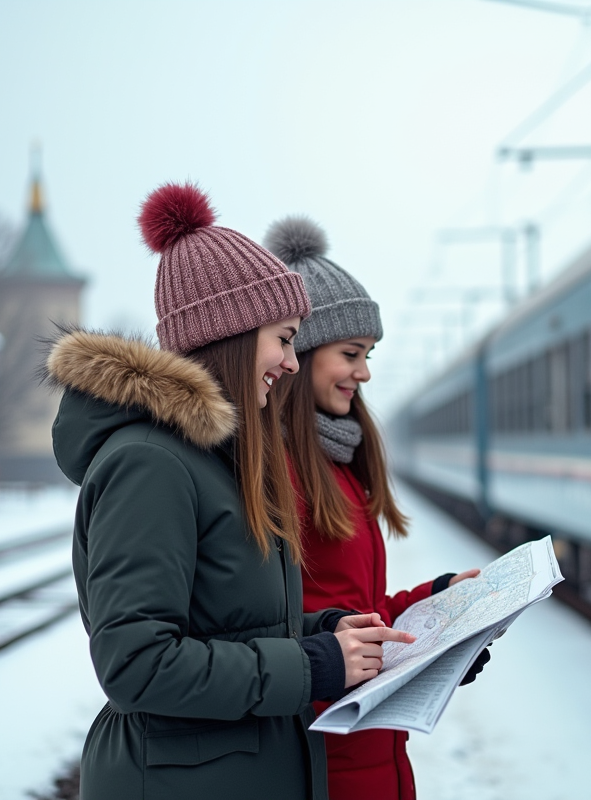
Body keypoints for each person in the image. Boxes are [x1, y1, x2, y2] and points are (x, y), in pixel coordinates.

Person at [46, 184, 413, 800]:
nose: (292, 362)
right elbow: (137, 663)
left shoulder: (214, 462)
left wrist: (329, 629)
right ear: (233, 336)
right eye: (285, 338)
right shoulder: (148, 464)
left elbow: (233, 625)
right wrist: (312, 664)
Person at [266, 216, 488, 800]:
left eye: (368, 354)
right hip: (325, 758)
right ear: (300, 353)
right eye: (351, 353)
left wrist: (436, 610)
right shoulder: (278, 472)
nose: (364, 373)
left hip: (372, 752)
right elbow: (284, 631)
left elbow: (350, 613)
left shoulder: (337, 465)